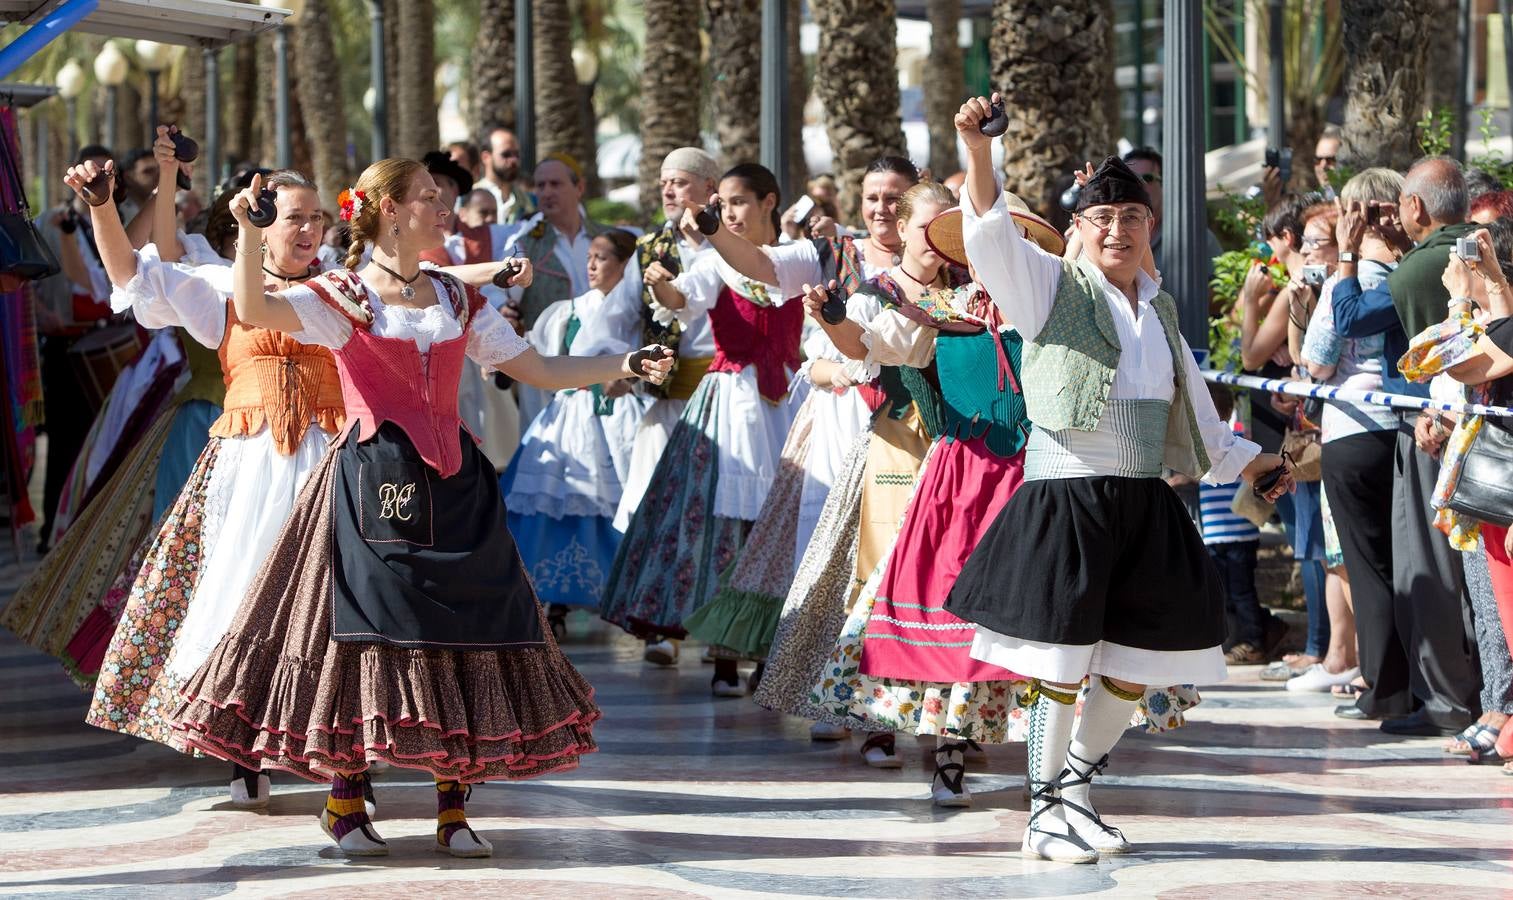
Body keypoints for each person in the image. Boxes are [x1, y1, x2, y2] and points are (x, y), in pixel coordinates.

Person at [172, 159, 671, 859]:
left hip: (458, 483)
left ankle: (453, 807)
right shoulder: (343, 294)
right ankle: (345, 801)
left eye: (441, 198)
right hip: (376, 482)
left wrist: (623, 362)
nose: (443, 207)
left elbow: (541, 370)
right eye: (428, 198)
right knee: (371, 635)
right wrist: (252, 239)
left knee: (468, 626)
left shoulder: (455, 298)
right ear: (386, 209)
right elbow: (253, 311)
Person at [945, 95, 1291, 864]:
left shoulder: (1160, 306)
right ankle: (1040, 814)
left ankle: (1073, 791)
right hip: (1067, 494)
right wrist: (977, 152)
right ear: (1075, 231)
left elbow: (1196, 410)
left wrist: (1254, 462)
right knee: (1061, 664)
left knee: (1140, 664)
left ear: (1149, 228)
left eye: (1129, 217)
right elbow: (989, 237)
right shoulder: (1047, 290)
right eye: (1100, 218)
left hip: (1142, 499)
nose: (1115, 229)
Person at [600, 163, 803, 694]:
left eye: (737, 202)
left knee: (781, 528)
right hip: (729, 400)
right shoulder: (716, 263)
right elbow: (682, 299)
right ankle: (724, 656)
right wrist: (663, 285)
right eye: (724, 204)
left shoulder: (797, 259)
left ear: (769, 201)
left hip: (787, 403)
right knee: (715, 531)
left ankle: (769, 650)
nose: (728, 213)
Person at [1331, 156, 1480, 736]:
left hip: (1432, 430)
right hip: (1470, 430)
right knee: (1478, 577)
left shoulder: (1423, 265)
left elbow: (1348, 318)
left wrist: (1348, 253)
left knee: (1430, 571)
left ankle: (1447, 702)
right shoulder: (1478, 246)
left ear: (1413, 207)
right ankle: (1483, 701)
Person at [1398, 222, 1513, 766]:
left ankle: (1502, 713)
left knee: (1501, 609)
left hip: (1500, 492)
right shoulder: (1505, 320)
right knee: (1493, 608)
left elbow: (1437, 361)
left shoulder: (1498, 326)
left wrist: (1459, 302)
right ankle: (1499, 712)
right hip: (1484, 488)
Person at [502, 229, 649, 633]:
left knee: (624, 500)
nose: (592, 264)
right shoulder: (568, 311)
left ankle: (630, 599)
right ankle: (554, 603)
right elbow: (541, 356)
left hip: (621, 414)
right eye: (590, 256)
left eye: (602, 257)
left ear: (625, 265)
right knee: (556, 498)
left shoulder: (638, 312)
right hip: (572, 413)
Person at [614, 147, 724, 665]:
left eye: (680, 181)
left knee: (723, 513)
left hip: (727, 393)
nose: (669, 190)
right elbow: (618, 317)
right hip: (668, 394)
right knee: (659, 508)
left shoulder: (735, 241)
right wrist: (615, 367)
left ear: (709, 186)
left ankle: (720, 628)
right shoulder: (647, 248)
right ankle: (659, 624)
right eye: (664, 182)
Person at [1199, 386, 1267, 656]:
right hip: (1215, 536)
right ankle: (1232, 639)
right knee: (1224, 593)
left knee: (1241, 591)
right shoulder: (1203, 446)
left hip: (1239, 536)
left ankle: (1254, 640)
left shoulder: (1237, 444)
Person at [478, 125, 535, 224]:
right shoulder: (467, 199)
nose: (514, 160)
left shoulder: (532, 201)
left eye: (517, 154)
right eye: (506, 154)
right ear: (486, 157)